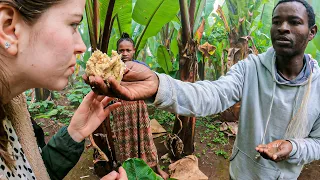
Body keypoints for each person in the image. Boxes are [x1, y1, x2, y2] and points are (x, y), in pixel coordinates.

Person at [84, 0, 320, 179]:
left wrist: (294, 147)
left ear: (312, 32)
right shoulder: (251, 70)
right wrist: (159, 85)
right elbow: (212, 94)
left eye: (294, 22)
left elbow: (318, 142)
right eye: (276, 21)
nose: (282, 28)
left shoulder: (317, 87)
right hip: (242, 174)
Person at [0, 0, 122, 180]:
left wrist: (74, 134)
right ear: (9, 28)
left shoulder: (13, 115)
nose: (81, 46)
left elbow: (31, 172)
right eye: (73, 25)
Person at [110, 33, 168, 179]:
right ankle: (128, 173)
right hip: (120, 110)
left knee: (145, 139)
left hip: (138, 108)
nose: (124, 53)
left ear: (134, 50)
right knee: (124, 141)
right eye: (121, 50)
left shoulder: (141, 67)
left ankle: (155, 168)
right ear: (117, 51)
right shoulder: (111, 68)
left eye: (127, 50)